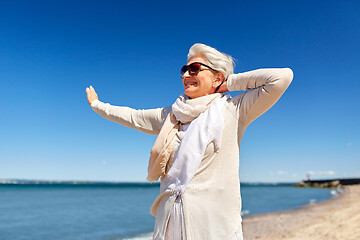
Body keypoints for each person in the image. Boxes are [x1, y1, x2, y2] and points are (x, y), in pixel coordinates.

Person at [86, 43, 293, 240]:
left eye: (194, 69)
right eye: (184, 69)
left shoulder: (234, 110)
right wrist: (97, 105)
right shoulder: (172, 115)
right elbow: (133, 116)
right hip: (170, 223)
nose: (185, 75)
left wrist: (227, 83)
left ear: (216, 76)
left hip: (213, 227)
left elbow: (281, 78)